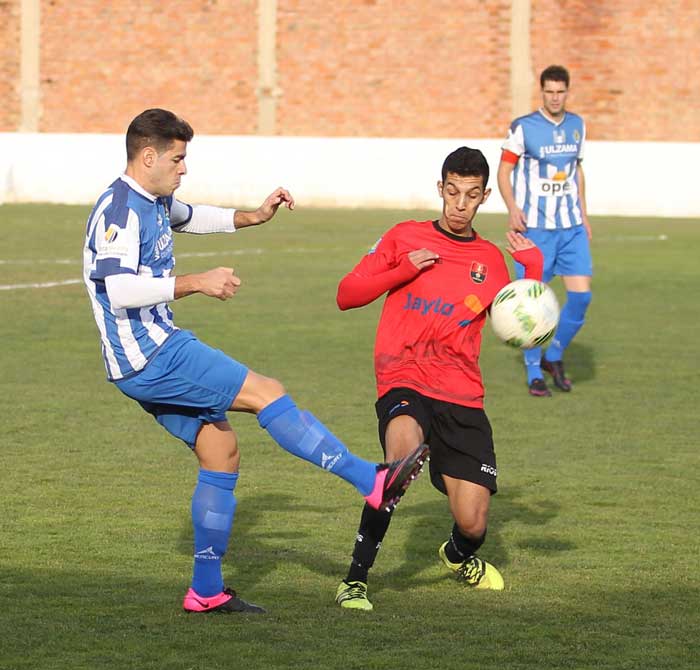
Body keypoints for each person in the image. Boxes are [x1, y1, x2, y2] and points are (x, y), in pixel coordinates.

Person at [82, 108, 428, 615]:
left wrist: (255, 216)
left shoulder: (154, 200)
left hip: (138, 359)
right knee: (267, 391)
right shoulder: (121, 211)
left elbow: (192, 216)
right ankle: (369, 480)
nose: (184, 168)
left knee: (221, 453)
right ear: (148, 156)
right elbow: (118, 289)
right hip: (151, 352)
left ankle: (205, 591)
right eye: (177, 159)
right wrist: (198, 282)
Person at [333, 147, 544, 611]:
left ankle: (457, 555)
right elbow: (346, 295)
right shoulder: (404, 237)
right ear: (440, 189)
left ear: (484, 197)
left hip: (461, 393)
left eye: (470, 195)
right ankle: (355, 580)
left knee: (473, 523)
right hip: (404, 377)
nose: (459, 204)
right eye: (452, 192)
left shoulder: (490, 260)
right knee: (398, 464)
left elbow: (522, 326)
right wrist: (403, 269)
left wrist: (533, 269)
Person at [497, 64, 593, 397]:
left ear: (567, 92)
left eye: (560, 92)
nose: (554, 98)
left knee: (581, 297)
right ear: (542, 92)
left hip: (571, 227)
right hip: (535, 230)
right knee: (530, 304)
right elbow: (504, 171)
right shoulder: (523, 127)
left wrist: (584, 214)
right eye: (549, 92)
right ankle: (534, 373)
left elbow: (577, 171)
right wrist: (513, 208)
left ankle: (553, 356)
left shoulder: (577, 125)